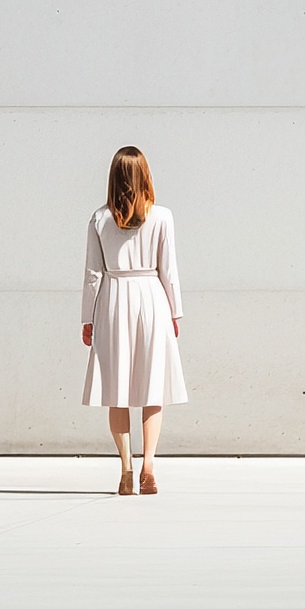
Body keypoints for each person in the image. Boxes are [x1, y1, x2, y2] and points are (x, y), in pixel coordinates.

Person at [81, 146, 187, 494]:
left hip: (114, 298)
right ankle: (149, 466)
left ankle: (126, 469)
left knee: (118, 389)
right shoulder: (163, 216)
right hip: (152, 298)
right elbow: (169, 270)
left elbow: (93, 273)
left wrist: (87, 318)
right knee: (153, 385)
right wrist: (175, 311)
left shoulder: (99, 219)